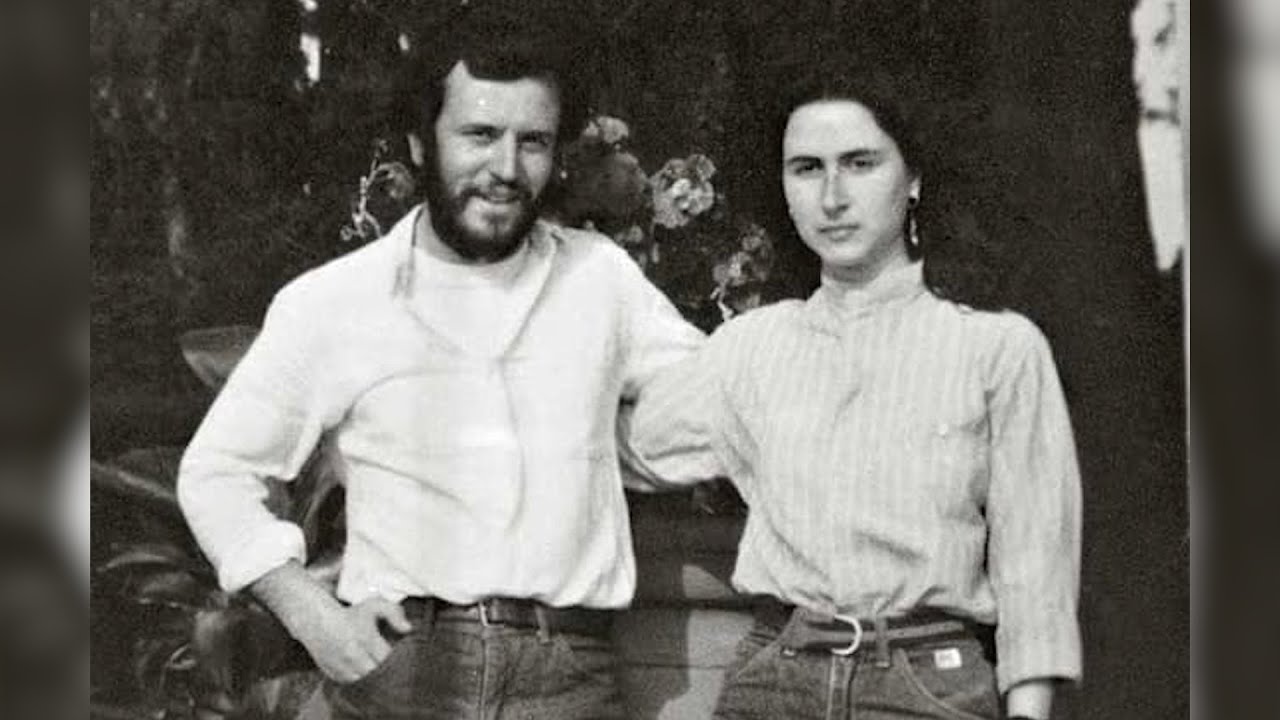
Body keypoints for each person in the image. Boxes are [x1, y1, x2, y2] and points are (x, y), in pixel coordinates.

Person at [176, 9, 702, 719]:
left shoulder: (601, 281)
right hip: (404, 667)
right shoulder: (337, 300)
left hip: (568, 678)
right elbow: (217, 473)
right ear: (421, 143)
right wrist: (313, 616)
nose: (506, 169)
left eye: (533, 141)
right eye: (480, 135)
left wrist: (608, 444)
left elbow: (711, 409)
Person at [625, 61, 1082, 720]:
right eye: (807, 168)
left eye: (861, 163)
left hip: (926, 687)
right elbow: (626, 447)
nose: (833, 196)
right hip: (775, 681)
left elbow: (1036, 570)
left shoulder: (996, 347)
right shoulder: (752, 347)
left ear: (913, 177)